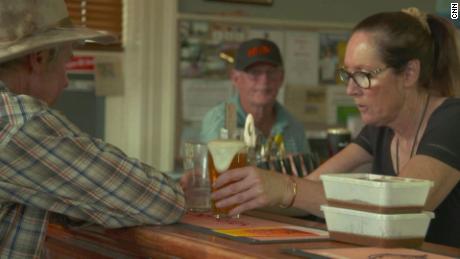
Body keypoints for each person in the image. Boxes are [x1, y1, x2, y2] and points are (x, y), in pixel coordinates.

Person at [210, 8, 460, 248]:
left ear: (409, 73)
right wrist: (242, 192)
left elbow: (400, 206)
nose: (351, 89)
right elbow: (304, 196)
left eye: (363, 74)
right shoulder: (381, 128)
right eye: (347, 74)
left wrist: (286, 187)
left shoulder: (452, 119)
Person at [0, 0, 185, 257]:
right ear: (38, 59)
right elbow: (162, 202)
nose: (66, 81)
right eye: (66, 64)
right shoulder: (18, 123)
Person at [200, 38, 310, 155]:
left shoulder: (294, 127)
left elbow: (307, 172)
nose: (264, 80)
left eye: (271, 72)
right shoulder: (220, 119)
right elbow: (220, 169)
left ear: (281, 78)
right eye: (254, 72)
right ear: (235, 78)